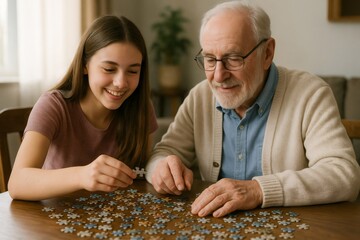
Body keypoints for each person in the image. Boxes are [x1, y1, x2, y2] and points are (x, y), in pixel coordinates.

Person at [145, 0, 360, 218]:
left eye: (234, 58)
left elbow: (343, 175)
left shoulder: (311, 94)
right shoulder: (200, 96)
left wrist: (257, 190)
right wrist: (161, 168)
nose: (218, 76)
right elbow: (161, 155)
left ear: (267, 53)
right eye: (210, 59)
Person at [8, 15, 158, 200]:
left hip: (116, 220)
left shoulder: (141, 107)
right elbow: (17, 183)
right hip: (53, 219)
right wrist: (82, 175)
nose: (120, 83)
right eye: (109, 69)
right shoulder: (54, 105)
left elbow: (143, 171)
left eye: (133, 71)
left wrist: (161, 165)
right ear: (85, 65)